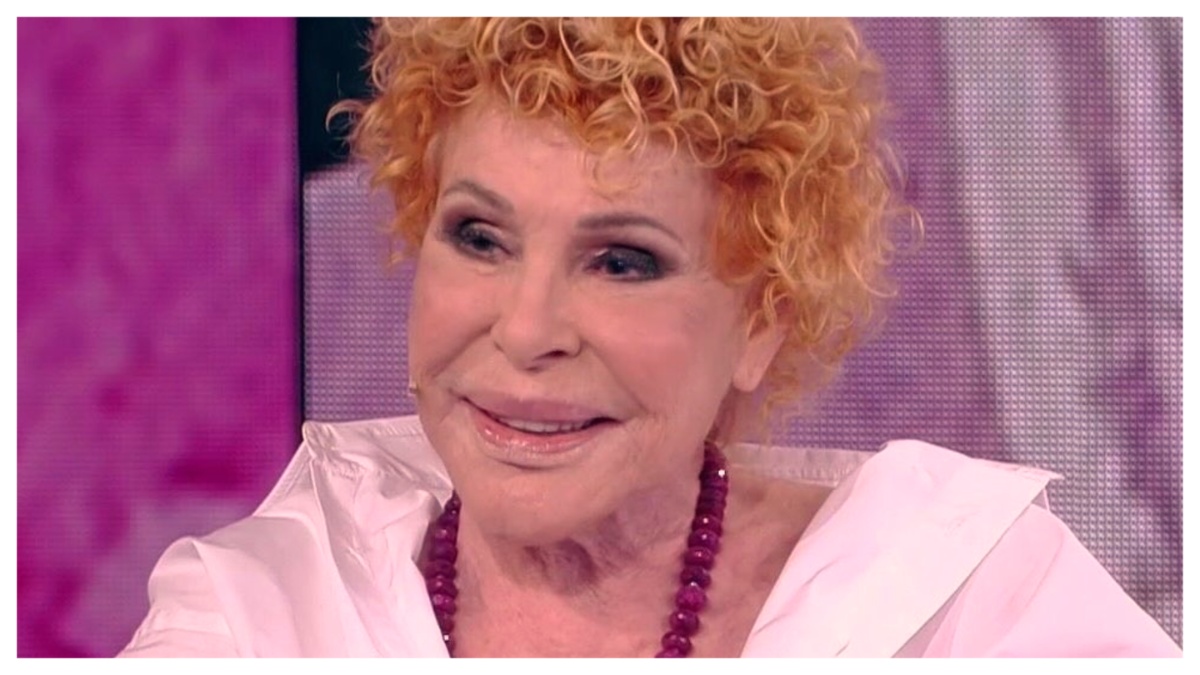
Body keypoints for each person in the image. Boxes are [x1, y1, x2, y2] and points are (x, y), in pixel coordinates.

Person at [119, 18, 1180, 657]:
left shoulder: (963, 606)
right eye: (480, 237)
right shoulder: (260, 617)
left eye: (622, 261)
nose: (526, 329)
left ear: (761, 321)